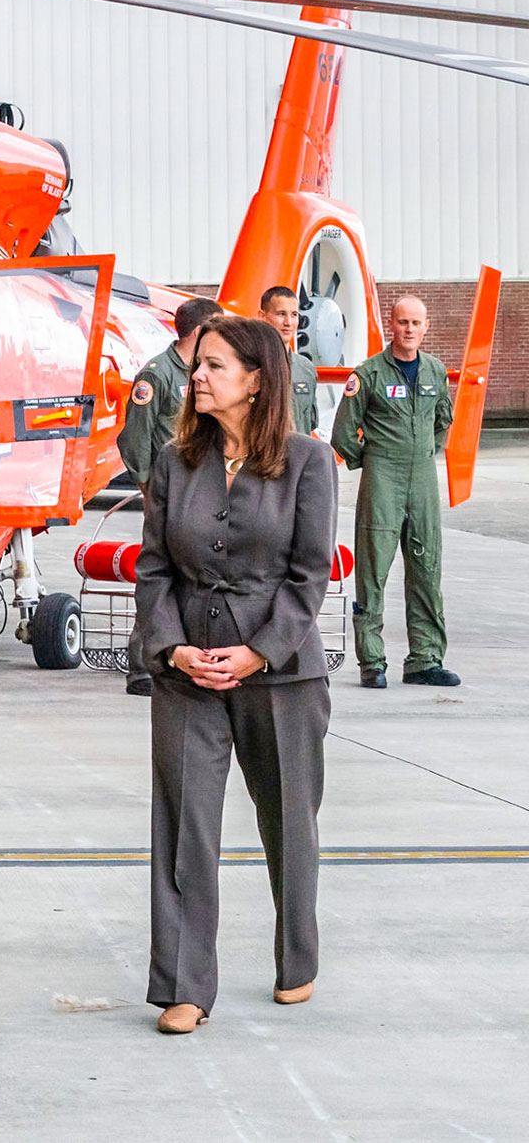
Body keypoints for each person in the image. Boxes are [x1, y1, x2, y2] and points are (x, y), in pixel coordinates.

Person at [134, 314, 337, 1034]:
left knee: (289, 823)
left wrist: (259, 650)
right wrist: (171, 649)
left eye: (215, 366)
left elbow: (310, 575)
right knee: (185, 827)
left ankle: (297, 958)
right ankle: (186, 987)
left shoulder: (310, 463)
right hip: (187, 670)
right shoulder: (173, 461)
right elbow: (153, 569)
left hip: (279, 673)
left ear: (256, 380)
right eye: (198, 365)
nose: (197, 377)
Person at [330, 295, 458, 688]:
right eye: (402, 322)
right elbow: (343, 433)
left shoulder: (435, 371)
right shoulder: (368, 374)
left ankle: (425, 658)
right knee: (374, 570)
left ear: (426, 326)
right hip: (382, 478)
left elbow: (443, 420)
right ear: (392, 323)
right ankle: (372, 661)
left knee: (426, 567)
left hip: (422, 480)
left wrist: (422, 452)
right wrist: (375, 458)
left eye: (416, 323)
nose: (409, 329)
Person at [116, 296, 224, 696]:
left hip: (208, 492)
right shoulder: (157, 376)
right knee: (160, 577)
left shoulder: (206, 374)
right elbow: (133, 440)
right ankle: (143, 665)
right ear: (199, 332)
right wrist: (149, 488)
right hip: (170, 495)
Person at [258, 285, 322, 436]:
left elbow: (311, 422)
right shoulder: (249, 365)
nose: (288, 322)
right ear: (262, 316)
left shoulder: (305, 368)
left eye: (294, 315)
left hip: (299, 457)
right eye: (281, 314)